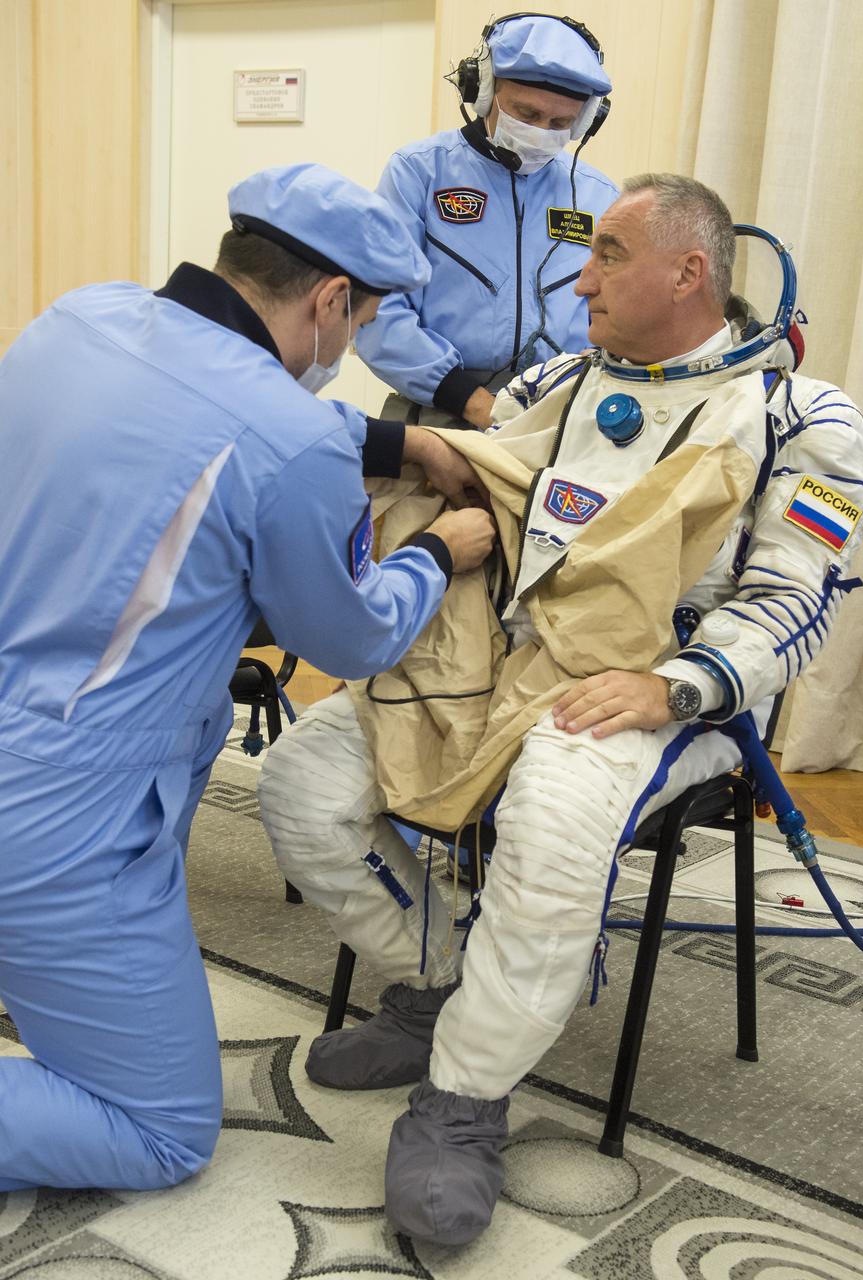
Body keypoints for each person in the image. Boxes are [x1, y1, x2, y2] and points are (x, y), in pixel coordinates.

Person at [258, 174, 863, 1245]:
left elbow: (793, 598)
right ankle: (443, 976)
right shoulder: (557, 379)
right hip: (496, 656)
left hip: (652, 687)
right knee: (299, 785)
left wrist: (674, 684)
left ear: (687, 271)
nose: (579, 277)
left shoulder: (803, 421)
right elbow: (481, 475)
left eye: (605, 255)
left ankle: (461, 1096)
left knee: (547, 830)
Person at [0, 162, 496, 1193]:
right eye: (356, 320)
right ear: (327, 303)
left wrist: (399, 439)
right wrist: (437, 552)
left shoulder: (79, 315)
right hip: (58, 805)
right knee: (159, 1126)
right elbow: (352, 638)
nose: (348, 343)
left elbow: (203, 415)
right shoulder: (295, 435)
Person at [355, 12, 619, 430]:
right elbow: (376, 310)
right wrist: (473, 402)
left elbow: (616, 312)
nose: (541, 132)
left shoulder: (599, 195)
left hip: (561, 415)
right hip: (437, 409)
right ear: (483, 91)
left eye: (560, 124)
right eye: (526, 114)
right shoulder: (419, 173)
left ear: (586, 121)